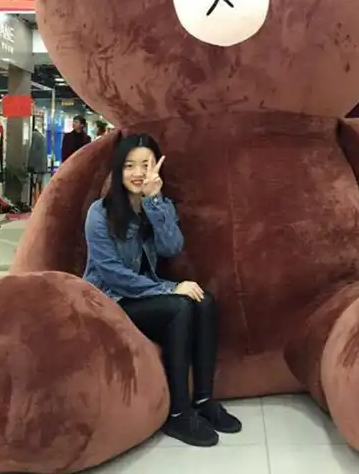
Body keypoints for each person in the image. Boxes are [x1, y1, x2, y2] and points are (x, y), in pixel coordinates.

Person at [83, 133, 241, 447]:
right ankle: (178, 414)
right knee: (179, 305)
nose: (138, 172)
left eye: (146, 164)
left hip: (143, 295)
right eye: (129, 165)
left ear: (157, 168)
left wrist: (154, 201)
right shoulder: (99, 214)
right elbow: (113, 275)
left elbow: (172, 247)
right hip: (110, 300)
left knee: (205, 302)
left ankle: (203, 400)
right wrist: (170, 288)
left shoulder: (157, 205)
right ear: (118, 170)